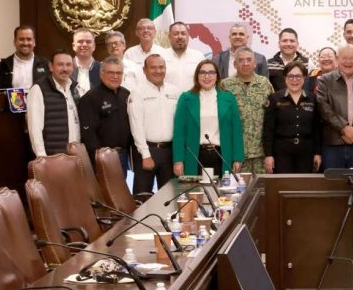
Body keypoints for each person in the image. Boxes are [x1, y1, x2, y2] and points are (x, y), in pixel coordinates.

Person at [173, 60, 244, 177]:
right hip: (195, 154)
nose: (207, 76)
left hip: (221, 154)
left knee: (221, 193)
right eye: (202, 73)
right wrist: (178, 160)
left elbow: (236, 130)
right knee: (197, 193)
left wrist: (238, 158)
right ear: (197, 76)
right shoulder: (186, 98)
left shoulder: (228, 98)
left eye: (211, 72)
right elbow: (179, 132)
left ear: (217, 76)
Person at [127, 54, 180, 194]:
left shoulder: (175, 91)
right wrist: (145, 155)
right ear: (144, 70)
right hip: (147, 151)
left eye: (161, 67)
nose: (158, 71)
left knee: (169, 197)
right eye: (153, 67)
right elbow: (136, 126)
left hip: (169, 152)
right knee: (142, 197)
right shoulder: (137, 93)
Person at [220, 47, 274, 174]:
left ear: (255, 63)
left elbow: (272, 117)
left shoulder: (265, 83)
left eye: (249, 60)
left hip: (261, 152)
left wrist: (270, 153)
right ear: (234, 64)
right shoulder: (225, 85)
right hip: (236, 153)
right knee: (237, 191)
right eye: (241, 60)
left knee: (261, 191)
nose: (245, 63)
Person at [263, 61, 322, 173]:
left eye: (298, 76)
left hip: (306, 153)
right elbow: (268, 130)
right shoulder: (274, 99)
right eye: (290, 76)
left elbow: (317, 129)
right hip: (281, 153)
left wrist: (317, 153)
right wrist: (268, 155)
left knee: (303, 188)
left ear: (304, 78)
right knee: (283, 186)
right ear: (285, 78)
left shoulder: (312, 99)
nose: (294, 80)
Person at [77, 57, 132, 176]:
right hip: (102, 158)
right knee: (104, 193)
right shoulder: (90, 98)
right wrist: (100, 157)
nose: (115, 76)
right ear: (101, 74)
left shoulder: (126, 94)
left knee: (120, 192)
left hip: (123, 155)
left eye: (119, 73)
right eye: (111, 73)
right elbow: (88, 133)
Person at [26, 50, 80, 156]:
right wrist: (42, 158)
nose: (65, 69)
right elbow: (35, 129)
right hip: (53, 156)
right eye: (60, 65)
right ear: (51, 67)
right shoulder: (38, 89)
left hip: (75, 154)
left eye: (68, 65)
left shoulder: (74, 88)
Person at [0, 25, 49, 90]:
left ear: (34, 42)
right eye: (21, 39)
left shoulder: (45, 64)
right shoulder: (3, 66)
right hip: (13, 100)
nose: (25, 43)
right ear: (14, 42)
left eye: (29, 39)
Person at [164, 21, 205, 91]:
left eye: (183, 33)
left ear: (188, 36)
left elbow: (205, 80)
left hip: (192, 99)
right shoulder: (161, 56)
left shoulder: (198, 56)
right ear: (169, 36)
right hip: (167, 100)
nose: (180, 37)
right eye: (176, 34)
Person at [71, 28, 100, 95]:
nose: (84, 44)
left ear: (94, 46)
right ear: (73, 46)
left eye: (88, 42)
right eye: (80, 41)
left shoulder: (103, 69)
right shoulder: (66, 68)